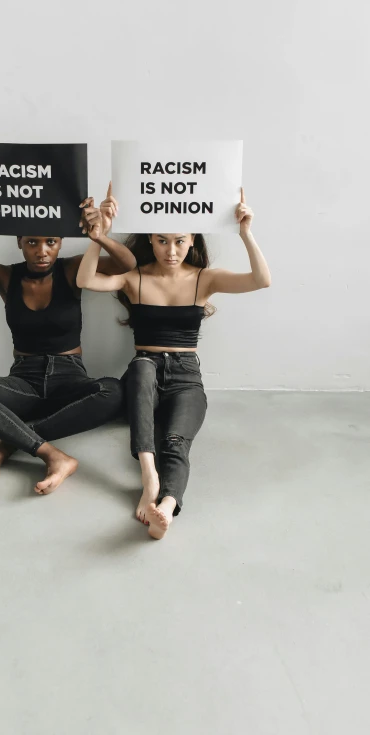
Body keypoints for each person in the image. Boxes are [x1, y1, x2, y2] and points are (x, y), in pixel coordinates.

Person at [77, 187, 271, 539]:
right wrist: (98, 237)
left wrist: (245, 232)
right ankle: (149, 477)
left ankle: (165, 507)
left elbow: (262, 280)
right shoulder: (135, 277)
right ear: (150, 239)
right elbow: (85, 280)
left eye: (179, 241)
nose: (171, 251)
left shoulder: (203, 278)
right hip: (145, 372)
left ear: (192, 238)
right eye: (162, 241)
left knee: (177, 442)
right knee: (140, 366)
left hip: (186, 376)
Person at [0, 185, 136, 495]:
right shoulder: (4, 276)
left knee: (114, 391)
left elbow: (128, 265)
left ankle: (10, 442)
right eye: (32, 243)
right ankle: (51, 454)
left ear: (60, 243)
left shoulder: (71, 269)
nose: (42, 251)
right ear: (19, 243)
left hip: (69, 380)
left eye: (51, 242)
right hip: (23, 383)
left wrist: (100, 237)